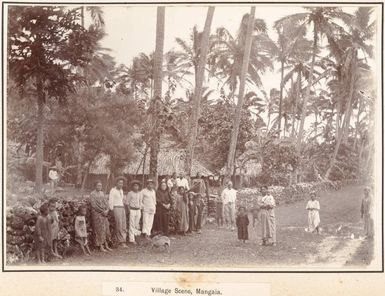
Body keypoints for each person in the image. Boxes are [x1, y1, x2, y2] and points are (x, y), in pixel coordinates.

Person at [90, 180, 112, 252]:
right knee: (99, 230)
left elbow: (106, 203)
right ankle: (100, 246)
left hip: (104, 214)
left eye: (100, 185)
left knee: (105, 228)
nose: (99, 187)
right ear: (95, 186)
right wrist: (102, 211)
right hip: (97, 214)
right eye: (98, 185)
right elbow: (94, 205)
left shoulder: (102, 193)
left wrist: (107, 210)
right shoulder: (92, 194)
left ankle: (106, 245)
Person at [109, 176, 128, 248]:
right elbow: (111, 201)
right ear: (116, 183)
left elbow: (122, 200)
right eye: (119, 183)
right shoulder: (113, 190)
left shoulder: (121, 190)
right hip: (116, 208)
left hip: (122, 208)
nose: (121, 184)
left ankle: (123, 240)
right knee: (119, 224)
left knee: (123, 224)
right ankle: (120, 242)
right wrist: (112, 210)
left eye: (122, 183)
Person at [124, 180, 143, 244]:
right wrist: (129, 211)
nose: (136, 187)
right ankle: (131, 239)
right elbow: (127, 203)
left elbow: (140, 202)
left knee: (137, 224)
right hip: (132, 210)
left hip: (138, 210)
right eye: (134, 185)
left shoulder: (140, 193)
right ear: (132, 187)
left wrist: (140, 209)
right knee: (131, 224)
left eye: (137, 185)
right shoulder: (130, 193)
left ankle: (136, 237)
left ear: (139, 187)